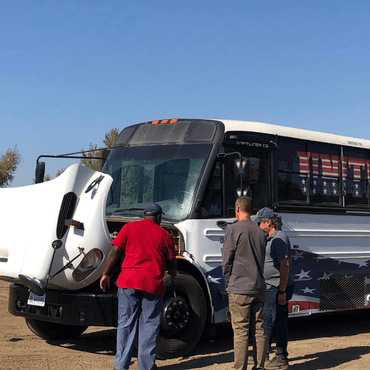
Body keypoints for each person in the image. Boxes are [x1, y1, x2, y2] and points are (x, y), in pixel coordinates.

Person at [100, 202, 177, 370]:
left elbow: (115, 251)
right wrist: (172, 272)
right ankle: (146, 366)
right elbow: (172, 260)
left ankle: (120, 365)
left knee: (126, 323)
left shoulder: (128, 228)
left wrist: (106, 273)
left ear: (144, 215)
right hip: (152, 284)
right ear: (158, 217)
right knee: (149, 325)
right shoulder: (165, 235)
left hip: (128, 282)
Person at [222, 196, 267, 370]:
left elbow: (226, 260)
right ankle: (260, 366)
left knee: (240, 331)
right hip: (258, 286)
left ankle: (240, 368)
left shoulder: (233, 230)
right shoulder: (260, 232)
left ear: (237, 209)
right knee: (259, 329)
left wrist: (228, 280)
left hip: (239, 288)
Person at [254, 207, 294, 370]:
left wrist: (282, 291)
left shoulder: (279, 238)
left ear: (268, 222)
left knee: (278, 321)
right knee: (268, 320)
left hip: (278, 287)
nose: (257, 225)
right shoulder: (268, 237)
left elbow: (285, 266)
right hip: (269, 286)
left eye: (259, 222)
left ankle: (281, 356)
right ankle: (264, 354)